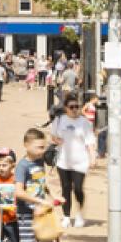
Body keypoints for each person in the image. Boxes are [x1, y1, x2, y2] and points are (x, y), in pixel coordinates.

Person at [16, 128, 62, 242]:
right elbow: (18, 192)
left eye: (43, 147)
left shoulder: (39, 162)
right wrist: (38, 201)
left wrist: (53, 195)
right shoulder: (23, 166)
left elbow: (41, 183)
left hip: (42, 214)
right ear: (26, 146)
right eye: (39, 147)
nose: (43, 151)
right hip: (27, 213)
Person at [50, 95, 95, 229]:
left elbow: (90, 142)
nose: (75, 109)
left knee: (78, 189)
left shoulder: (85, 122)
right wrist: (58, 141)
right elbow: (53, 136)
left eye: (77, 107)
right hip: (63, 160)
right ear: (66, 108)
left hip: (80, 161)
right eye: (71, 107)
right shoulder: (59, 120)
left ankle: (80, 214)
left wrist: (93, 157)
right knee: (66, 188)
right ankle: (66, 216)